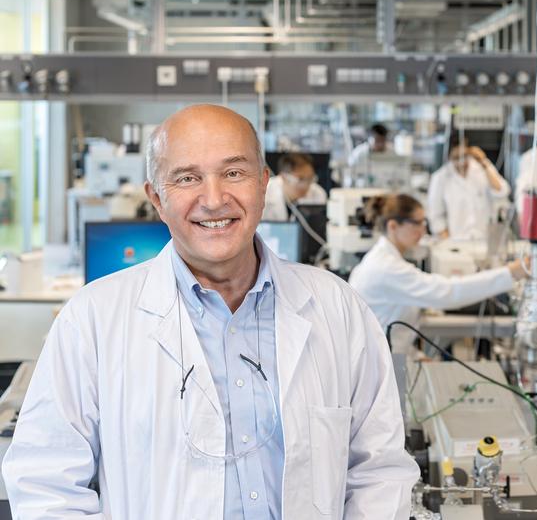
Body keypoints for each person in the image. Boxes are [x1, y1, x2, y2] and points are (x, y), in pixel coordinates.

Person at [2, 105, 419, 519]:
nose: (215, 199)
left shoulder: (337, 308)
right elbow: (46, 487)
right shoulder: (92, 319)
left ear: (263, 185)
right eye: (187, 178)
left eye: (234, 173)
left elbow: (379, 471)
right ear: (157, 199)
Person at [348, 193, 528, 356]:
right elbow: (447, 292)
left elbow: (388, 328)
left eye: (424, 222)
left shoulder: (383, 259)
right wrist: (509, 273)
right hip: (375, 366)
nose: (423, 230)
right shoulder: (386, 268)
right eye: (417, 223)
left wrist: (415, 355)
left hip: (384, 359)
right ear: (393, 226)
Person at [428, 133, 511, 240]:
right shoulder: (440, 178)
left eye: (465, 156)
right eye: (456, 158)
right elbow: (436, 217)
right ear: (449, 157)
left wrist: (483, 162)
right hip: (456, 241)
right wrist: (448, 243)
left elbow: (502, 191)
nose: (461, 163)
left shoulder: (482, 167)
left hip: (484, 239)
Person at [263, 152, 327, 221]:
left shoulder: (318, 193)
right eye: (301, 179)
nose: (306, 185)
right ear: (283, 177)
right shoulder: (265, 193)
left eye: (310, 178)